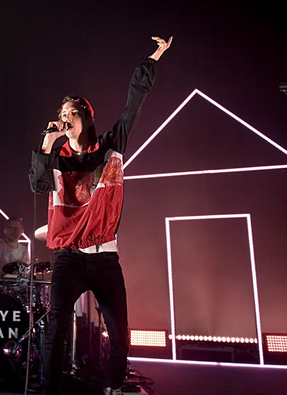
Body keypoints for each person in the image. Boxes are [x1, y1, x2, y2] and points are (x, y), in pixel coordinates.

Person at [28, 36, 173, 395]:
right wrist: (46, 144)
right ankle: (49, 391)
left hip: (106, 258)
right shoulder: (57, 159)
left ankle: (113, 387)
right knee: (57, 330)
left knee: (121, 334)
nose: (65, 119)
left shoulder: (112, 146)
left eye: (71, 113)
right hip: (69, 260)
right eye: (62, 115)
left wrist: (153, 57)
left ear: (86, 117)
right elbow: (38, 184)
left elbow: (133, 104)